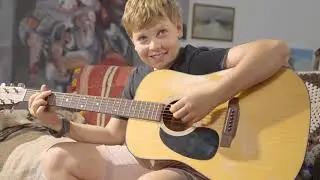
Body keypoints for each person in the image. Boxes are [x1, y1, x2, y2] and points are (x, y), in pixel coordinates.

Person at [27, 0, 290, 179]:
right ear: (133, 41)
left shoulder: (197, 61)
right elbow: (113, 134)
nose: (154, 46)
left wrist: (212, 97)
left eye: (161, 32)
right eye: (143, 38)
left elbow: (276, 50)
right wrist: (59, 124)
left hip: (200, 165)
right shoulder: (138, 78)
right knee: (56, 158)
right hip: (153, 159)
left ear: (178, 29)